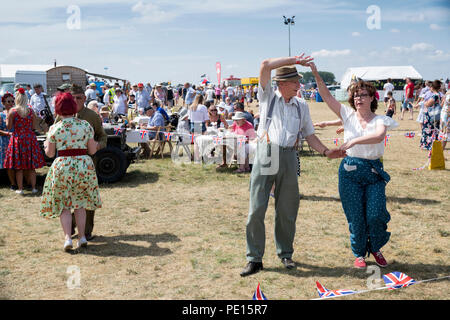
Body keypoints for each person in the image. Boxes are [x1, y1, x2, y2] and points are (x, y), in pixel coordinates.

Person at [240, 54, 345, 277]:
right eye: (296, 81)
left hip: (289, 155)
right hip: (267, 153)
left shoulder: (301, 106)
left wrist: (326, 151)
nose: (299, 85)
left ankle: (285, 253)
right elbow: (265, 65)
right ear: (283, 84)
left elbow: (309, 135)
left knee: (287, 209)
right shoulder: (268, 97)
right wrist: (295, 59)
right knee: (257, 208)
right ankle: (254, 258)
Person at [310, 61, 398, 269]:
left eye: (363, 95)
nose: (359, 98)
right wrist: (315, 73)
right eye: (356, 95)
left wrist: (353, 141)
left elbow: (378, 137)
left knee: (376, 214)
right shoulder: (347, 115)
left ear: (372, 98)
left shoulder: (381, 120)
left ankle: (375, 247)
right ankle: (359, 253)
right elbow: (327, 96)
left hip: (373, 171)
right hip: (349, 171)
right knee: (355, 215)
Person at [40, 92, 101, 251]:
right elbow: (93, 150)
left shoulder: (55, 128)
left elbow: (50, 154)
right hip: (83, 166)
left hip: (63, 167)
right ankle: (82, 237)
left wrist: (46, 145)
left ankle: (68, 238)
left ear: (58, 109)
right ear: (74, 107)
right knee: (80, 205)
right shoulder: (85, 125)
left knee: (65, 206)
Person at [55, 84, 107, 240]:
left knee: (87, 198)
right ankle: (69, 228)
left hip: (87, 161)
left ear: (85, 98)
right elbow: (54, 133)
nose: (76, 100)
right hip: (66, 164)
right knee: (67, 198)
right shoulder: (61, 115)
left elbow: (102, 136)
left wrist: (99, 145)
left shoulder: (92, 116)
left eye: (79, 98)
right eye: (73, 98)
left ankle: (87, 231)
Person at [4, 88, 45, 195]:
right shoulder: (31, 111)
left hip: (18, 138)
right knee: (31, 166)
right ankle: (34, 188)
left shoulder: (13, 111)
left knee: (19, 167)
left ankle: (21, 189)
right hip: (30, 138)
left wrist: (7, 119)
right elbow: (33, 126)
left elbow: (8, 127)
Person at [420, 80, 444, 151]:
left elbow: (427, 104)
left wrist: (424, 102)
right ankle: (433, 143)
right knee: (435, 130)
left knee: (428, 129)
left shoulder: (435, 96)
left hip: (431, 115)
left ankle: (427, 144)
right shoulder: (440, 95)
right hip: (436, 114)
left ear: (432, 87)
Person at [0, 93, 17, 190]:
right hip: (5, 141)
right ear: (3, 103)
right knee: (9, 164)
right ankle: (13, 183)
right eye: (9, 101)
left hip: (16, 140)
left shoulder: (16, 113)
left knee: (17, 161)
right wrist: (7, 134)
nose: (11, 103)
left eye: (12, 101)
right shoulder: (1, 115)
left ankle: (20, 182)